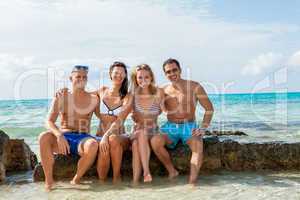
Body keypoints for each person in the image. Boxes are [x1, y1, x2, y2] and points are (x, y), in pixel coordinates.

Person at [150, 58, 214, 185]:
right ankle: (172, 171)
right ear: (165, 74)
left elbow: (209, 109)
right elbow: (155, 111)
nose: (172, 74)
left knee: (197, 145)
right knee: (155, 141)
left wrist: (203, 128)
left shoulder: (195, 87)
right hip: (170, 127)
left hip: (189, 126)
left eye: (175, 70)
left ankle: (192, 182)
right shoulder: (163, 90)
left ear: (180, 70)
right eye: (168, 72)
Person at [38, 65, 99, 191]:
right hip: (64, 136)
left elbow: (105, 115)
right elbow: (49, 121)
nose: (81, 79)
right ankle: (49, 182)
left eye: (84, 77)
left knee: (93, 145)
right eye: (78, 77)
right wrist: (59, 135)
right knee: (43, 137)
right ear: (71, 78)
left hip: (82, 138)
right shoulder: (61, 96)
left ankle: (76, 179)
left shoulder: (94, 99)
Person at [130, 64, 177, 184]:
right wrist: (133, 117)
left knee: (138, 141)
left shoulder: (159, 92)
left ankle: (139, 178)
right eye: (140, 77)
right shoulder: (133, 95)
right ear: (136, 79)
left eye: (146, 77)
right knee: (138, 137)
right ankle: (143, 175)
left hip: (154, 130)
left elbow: (165, 109)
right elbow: (131, 116)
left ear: (151, 78)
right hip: (139, 131)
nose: (143, 80)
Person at [95, 61, 132, 184]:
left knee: (112, 139)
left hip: (119, 137)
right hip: (100, 135)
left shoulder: (127, 96)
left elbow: (120, 119)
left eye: (122, 73)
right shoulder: (102, 91)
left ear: (125, 76)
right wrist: (63, 92)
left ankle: (117, 177)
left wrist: (106, 135)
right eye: (116, 72)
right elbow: (82, 95)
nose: (119, 75)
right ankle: (102, 185)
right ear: (111, 74)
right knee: (104, 150)